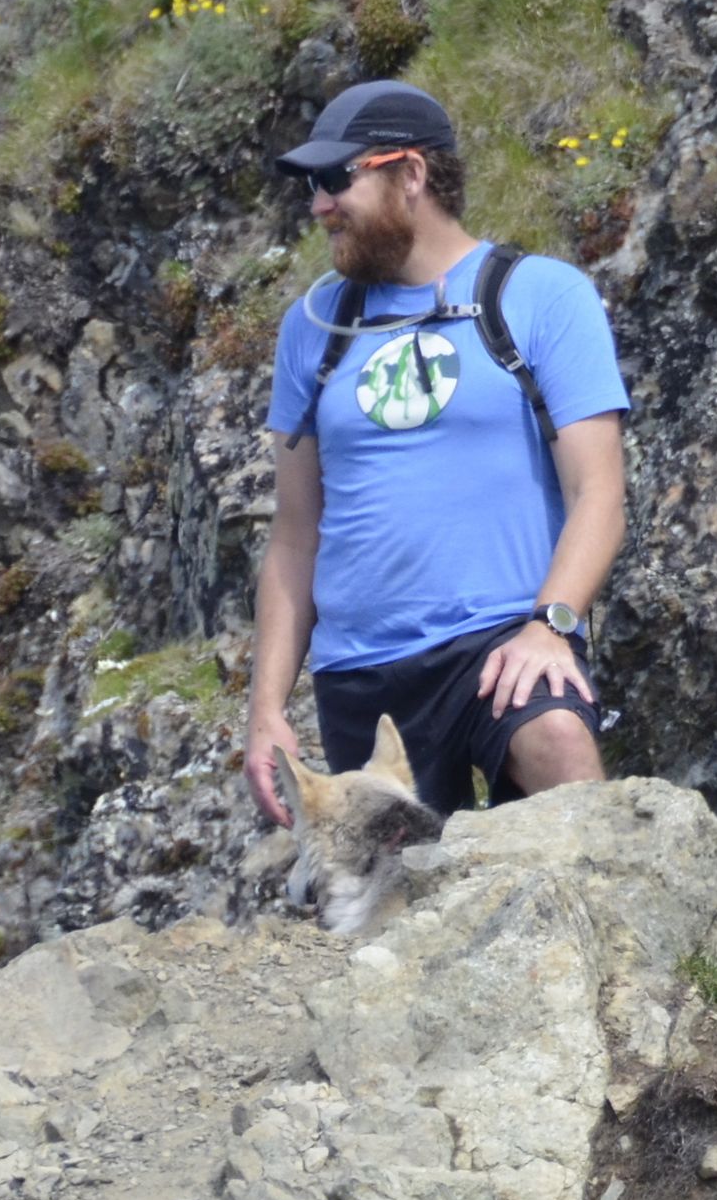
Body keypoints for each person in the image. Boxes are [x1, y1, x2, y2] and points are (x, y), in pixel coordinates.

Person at [243, 79, 631, 825]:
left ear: (411, 173)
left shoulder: (543, 297)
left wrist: (552, 626)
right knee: (389, 914)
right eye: (312, 187)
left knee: (560, 746)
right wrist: (266, 712)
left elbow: (600, 493)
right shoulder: (313, 327)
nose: (319, 204)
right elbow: (293, 535)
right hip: (360, 671)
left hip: (502, 641)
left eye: (336, 179)